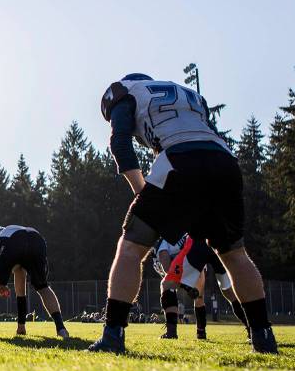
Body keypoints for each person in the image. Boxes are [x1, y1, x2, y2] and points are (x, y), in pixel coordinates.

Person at [89, 73, 277, 354]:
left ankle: (113, 334)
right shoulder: (190, 95)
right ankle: (263, 337)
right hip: (225, 162)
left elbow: (120, 143)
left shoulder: (125, 92)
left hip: (180, 160)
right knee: (235, 254)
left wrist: (141, 190)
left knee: (130, 248)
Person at [0, 225, 70, 340]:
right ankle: (61, 329)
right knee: (43, 286)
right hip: (37, 239)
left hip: (11, 239)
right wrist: (21, 325)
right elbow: (21, 291)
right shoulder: (7, 237)